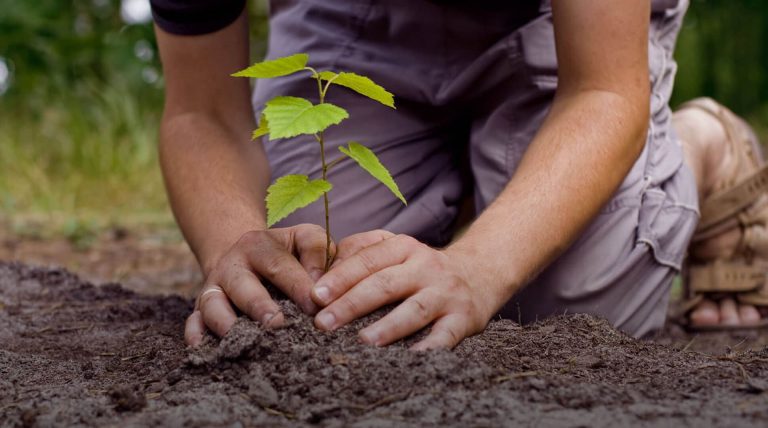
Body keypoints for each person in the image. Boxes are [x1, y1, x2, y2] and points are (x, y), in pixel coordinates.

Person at [150, 0, 768, 349]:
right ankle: (487, 187)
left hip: (565, 23)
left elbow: (603, 90)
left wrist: (479, 270)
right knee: (317, 281)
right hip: (354, 17)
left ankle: (701, 147)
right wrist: (234, 242)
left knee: (566, 309)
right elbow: (202, 111)